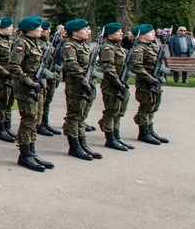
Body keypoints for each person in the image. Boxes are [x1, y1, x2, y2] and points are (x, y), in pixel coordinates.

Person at [7, 15, 54, 172]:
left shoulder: (36, 43)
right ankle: (25, 155)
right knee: (29, 119)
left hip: (36, 86)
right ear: (31, 29)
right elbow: (14, 66)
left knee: (36, 119)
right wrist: (29, 82)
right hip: (26, 88)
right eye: (39, 27)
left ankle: (32, 152)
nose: (42, 29)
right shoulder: (21, 43)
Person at [60, 18, 102, 161]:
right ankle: (74, 146)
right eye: (84, 29)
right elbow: (72, 65)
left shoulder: (83, 45)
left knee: (82, 116)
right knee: (74, 115)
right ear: (75, 32)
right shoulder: (69, 46)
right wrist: (84, 82)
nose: (87, 32)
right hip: (77, 86)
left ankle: (82, 143)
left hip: (87, 83)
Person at [128, 24, 169, 145]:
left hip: (155, 80)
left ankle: (150, 130)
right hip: (146, 82)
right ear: (141, 35)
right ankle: (144, 132)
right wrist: (150, 79)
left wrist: (160, 76)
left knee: (153, 105)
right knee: (146, 106)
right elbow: (136, 66)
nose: (153, 34)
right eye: (150, 32)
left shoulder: (154, 47)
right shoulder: (138, 49)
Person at [97, 22, 135, 152]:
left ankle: (116, 135)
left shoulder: (117, 47)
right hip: (112, 84)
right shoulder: (107, 48)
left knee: (119, 111)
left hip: (120, 82)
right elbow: (108, 68)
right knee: (111, 111)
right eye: (118, 31)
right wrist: (118, 84)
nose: (121, 33)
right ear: (110, 34)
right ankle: (110, 138)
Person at [36, 21, 62, 136]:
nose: (48, 31)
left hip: (49, 76)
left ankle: (45, 122)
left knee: (47, 101)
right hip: (42, 76)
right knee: (41, 102)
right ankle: (40, 124)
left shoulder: (48, 43)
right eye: (46, 29)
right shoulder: (38, 44)